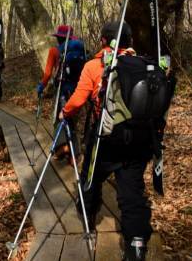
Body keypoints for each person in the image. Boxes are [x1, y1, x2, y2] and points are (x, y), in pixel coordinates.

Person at [59, 21, 151, 261]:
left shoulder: (94, 66)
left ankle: (87, 215)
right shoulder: (144, 65)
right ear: (130, 42)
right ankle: (136, 245)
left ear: (103, 41)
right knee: (132, 192)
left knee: (91, 176)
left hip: (106, 138)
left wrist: (64, 112)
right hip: (140, 139)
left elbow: (78, 100)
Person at [37, 24, 86, 164]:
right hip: (77, 91)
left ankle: (65, 149)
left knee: (59, 119)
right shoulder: (79, 49)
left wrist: (41, 86)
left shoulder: (54, 51)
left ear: (59, 38)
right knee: (72, 121)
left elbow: (47, 74)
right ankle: (73, 155)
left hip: (62, 91)